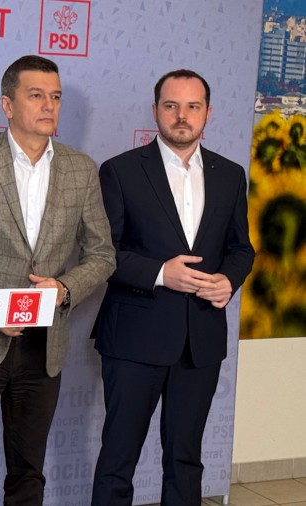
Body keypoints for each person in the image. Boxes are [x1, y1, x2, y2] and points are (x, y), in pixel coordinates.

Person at [0, 55, 116, 505]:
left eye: (56, 96)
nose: (49, 105)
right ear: (7, 104)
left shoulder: (81, 169)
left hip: (43, 345)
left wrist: (65, 289)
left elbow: (102, 255)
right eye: (36, 95)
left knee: (28, 475)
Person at [91, 69, 254, 505]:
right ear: (155, 111)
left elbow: (241, 249)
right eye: (171, 105)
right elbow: (103, 254)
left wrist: (228, 280)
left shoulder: (230, 174)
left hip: (200, 340)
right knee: (118, 458)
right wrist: (162, 273)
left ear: (208, 113)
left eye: (193, 106)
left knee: (186, 460)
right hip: (134, 339)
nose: (182, 115)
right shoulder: (120, 171)